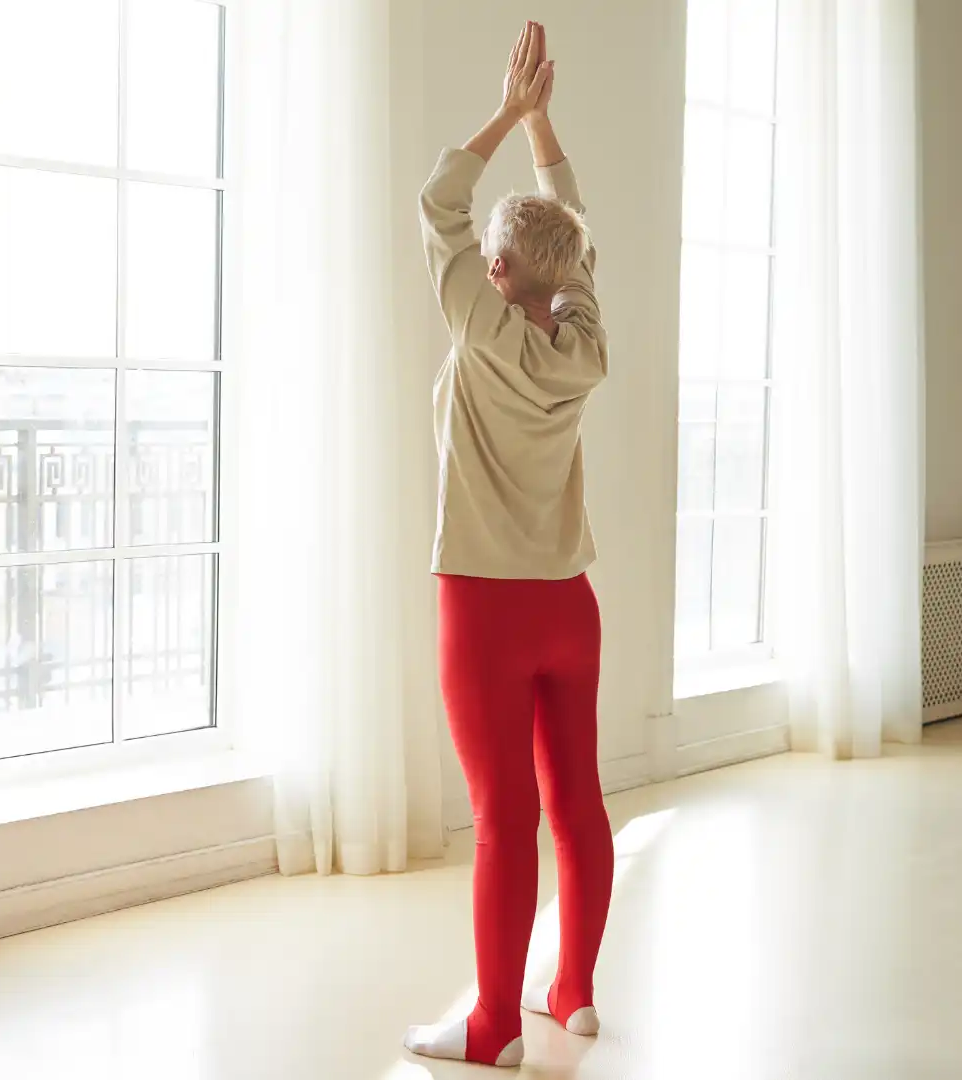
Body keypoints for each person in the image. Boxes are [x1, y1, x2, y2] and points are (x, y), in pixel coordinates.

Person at [402, 21, 613, 1070]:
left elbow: (435, 202)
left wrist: (505, 109)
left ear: (493, 270)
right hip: (568, 607)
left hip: (484, 609)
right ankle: (571, 990)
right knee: (575, 800)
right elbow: (577, 239)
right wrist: (545, 126)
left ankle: (491, 1032)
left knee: (502, 821)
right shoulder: (583, 341)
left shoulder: (476, 323)